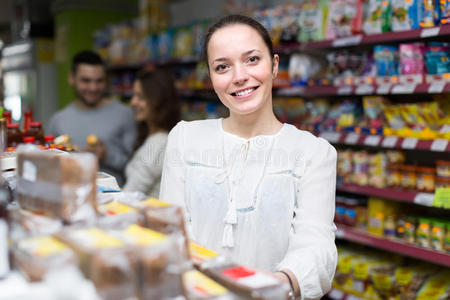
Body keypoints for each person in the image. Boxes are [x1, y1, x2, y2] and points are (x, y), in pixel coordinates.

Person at [160, 15, 337, 299]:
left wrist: (277, 283)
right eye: (222, 66)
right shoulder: (184, 138)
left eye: (252, 59)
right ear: (211, 77)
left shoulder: (314, 153)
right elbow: (171, 229)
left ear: (275, 65)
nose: (239, 76)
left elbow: (317, 244)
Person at [47, 50, 136, 185]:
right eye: (86, 80)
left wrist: (107, 156)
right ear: (72, 78)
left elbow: (137, 165)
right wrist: (73, 157)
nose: (93, 88)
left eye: (99, 81)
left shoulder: (125, 114)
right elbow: (48, 167)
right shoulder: (58, 120)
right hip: (70, 196)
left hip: (115, 202)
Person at [123, 69, 180, 197]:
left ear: (158, 100)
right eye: (134, 96)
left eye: (140, 97)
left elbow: (130, 194)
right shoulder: (155, 137)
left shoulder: (160, 142)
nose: (133, 102)